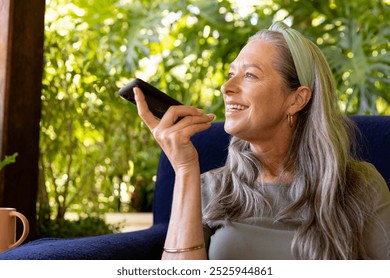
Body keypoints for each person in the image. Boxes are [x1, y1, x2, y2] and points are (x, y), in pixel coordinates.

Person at [133, 21, 390, 260]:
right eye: (231, 73)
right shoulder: (210, 188)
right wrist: (184, 169)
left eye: (250, 75)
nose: (226, 86)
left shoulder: (359, 187)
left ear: (297, 99)